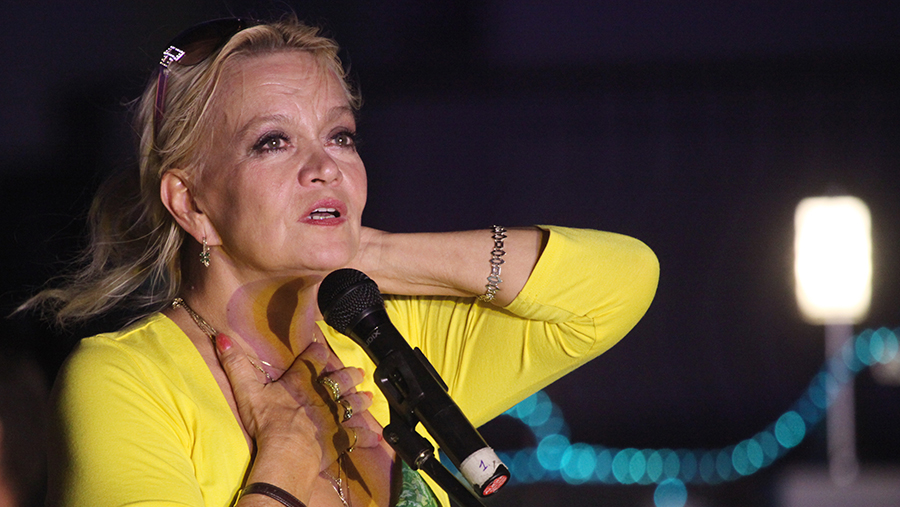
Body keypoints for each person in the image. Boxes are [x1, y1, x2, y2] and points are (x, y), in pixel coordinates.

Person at [21, 15, 659, 507]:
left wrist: (366, 250)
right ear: (191, 204)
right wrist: (281, 466)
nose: (325, 166)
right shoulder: (126, 381)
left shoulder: (387, 349)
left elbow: (620, 282)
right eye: (273, 141)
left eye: (340, 135)